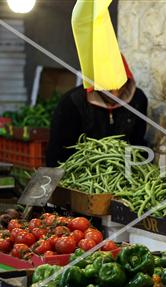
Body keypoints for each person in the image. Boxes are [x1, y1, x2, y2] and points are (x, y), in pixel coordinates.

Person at [46, 0, 147, 167]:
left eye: (118, 85)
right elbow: (57, 152)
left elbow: (138, 143)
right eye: (107, 87)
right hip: (79, 173)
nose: (114, 92)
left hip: (123, 173)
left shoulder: (138, 100)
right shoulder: (72, 103)